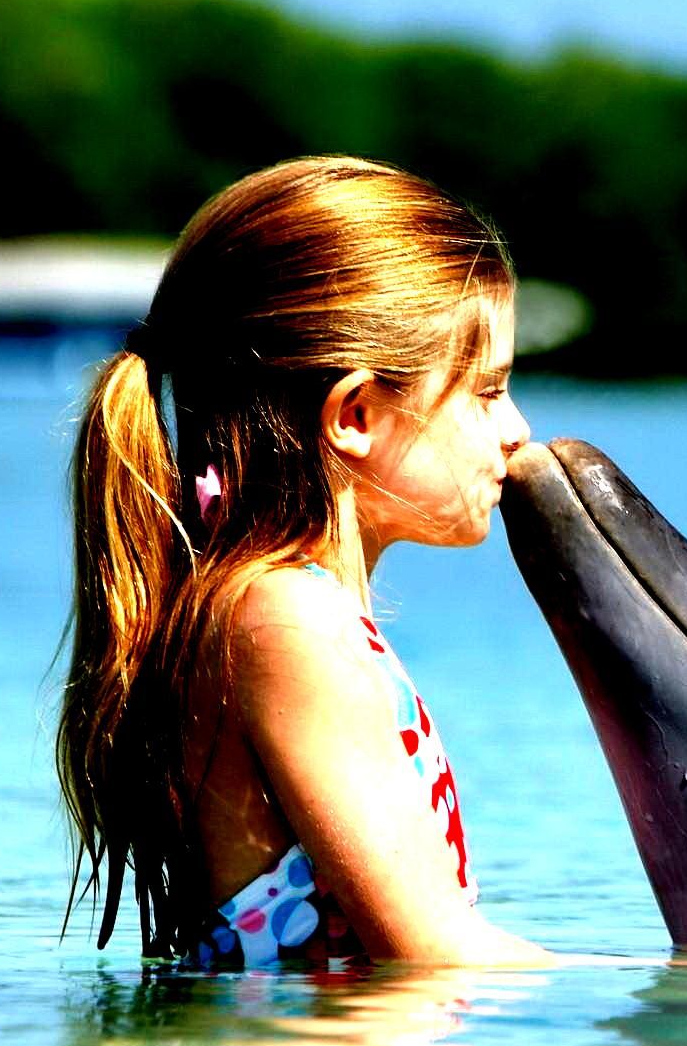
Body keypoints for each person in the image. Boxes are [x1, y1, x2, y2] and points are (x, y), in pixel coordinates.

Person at [56, 155, 552, 971]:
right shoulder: (289, 619)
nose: (516, 431)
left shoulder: (274, 610)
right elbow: (433, 955)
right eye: (487, 391)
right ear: (355, 414)